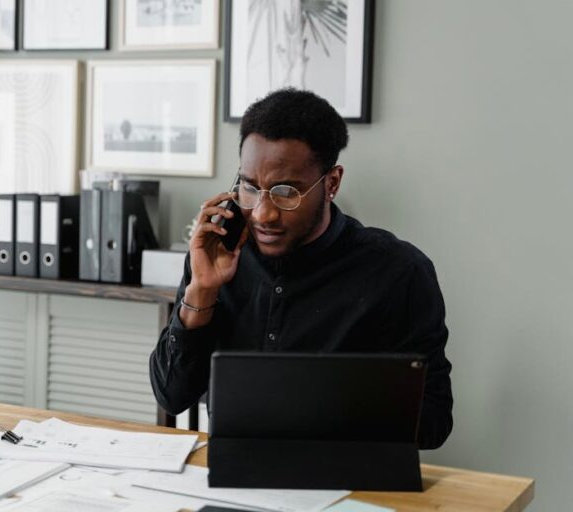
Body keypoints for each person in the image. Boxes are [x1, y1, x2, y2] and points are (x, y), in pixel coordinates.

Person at [149, 88, 453, 450]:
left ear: (332, 183)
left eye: (286, 192)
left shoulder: (399, 272)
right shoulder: (217, 254)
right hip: (235, 477)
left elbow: (434, 423)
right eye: (250, 187)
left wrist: (332, 400)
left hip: (349, 480)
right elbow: (172, 396)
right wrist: (201, 291)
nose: (263, 213)